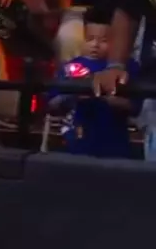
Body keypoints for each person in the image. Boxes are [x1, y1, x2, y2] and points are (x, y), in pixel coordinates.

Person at [51, 9, 137, 157]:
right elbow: (52, 104)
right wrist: (74, 94)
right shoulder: (71, 67)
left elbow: (135, 107)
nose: (95, 45)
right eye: (90, 39)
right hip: (76, 143)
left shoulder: (126, 68)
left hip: (115, 145)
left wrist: (105, 97)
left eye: (104, 40)